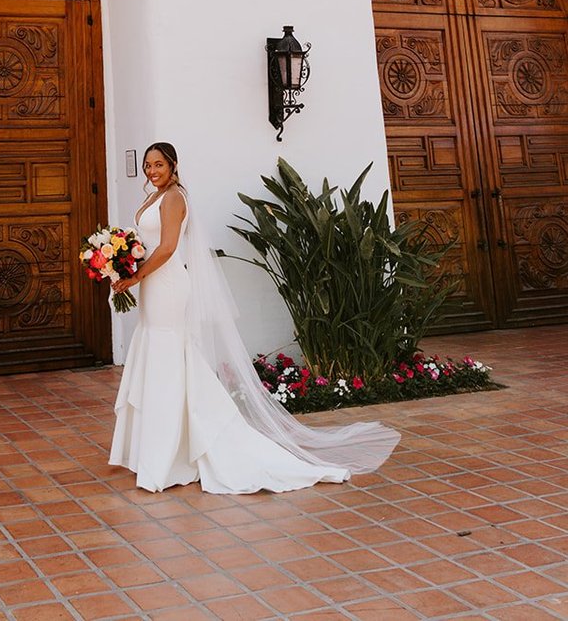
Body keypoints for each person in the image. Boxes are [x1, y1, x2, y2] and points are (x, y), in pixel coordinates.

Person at [109, 142, 400, 494]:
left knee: (169, 359)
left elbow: (168, 247)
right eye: (147, 165)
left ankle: (171, 456)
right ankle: (161, 451)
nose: (152, 171)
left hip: (167, 285)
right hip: (153, 287)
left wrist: (135, 276)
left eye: (158, 164)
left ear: (173, 166)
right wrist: (121, 262)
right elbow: (145, 243)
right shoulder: (154, 197)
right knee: (159, 358)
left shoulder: (174, 198)